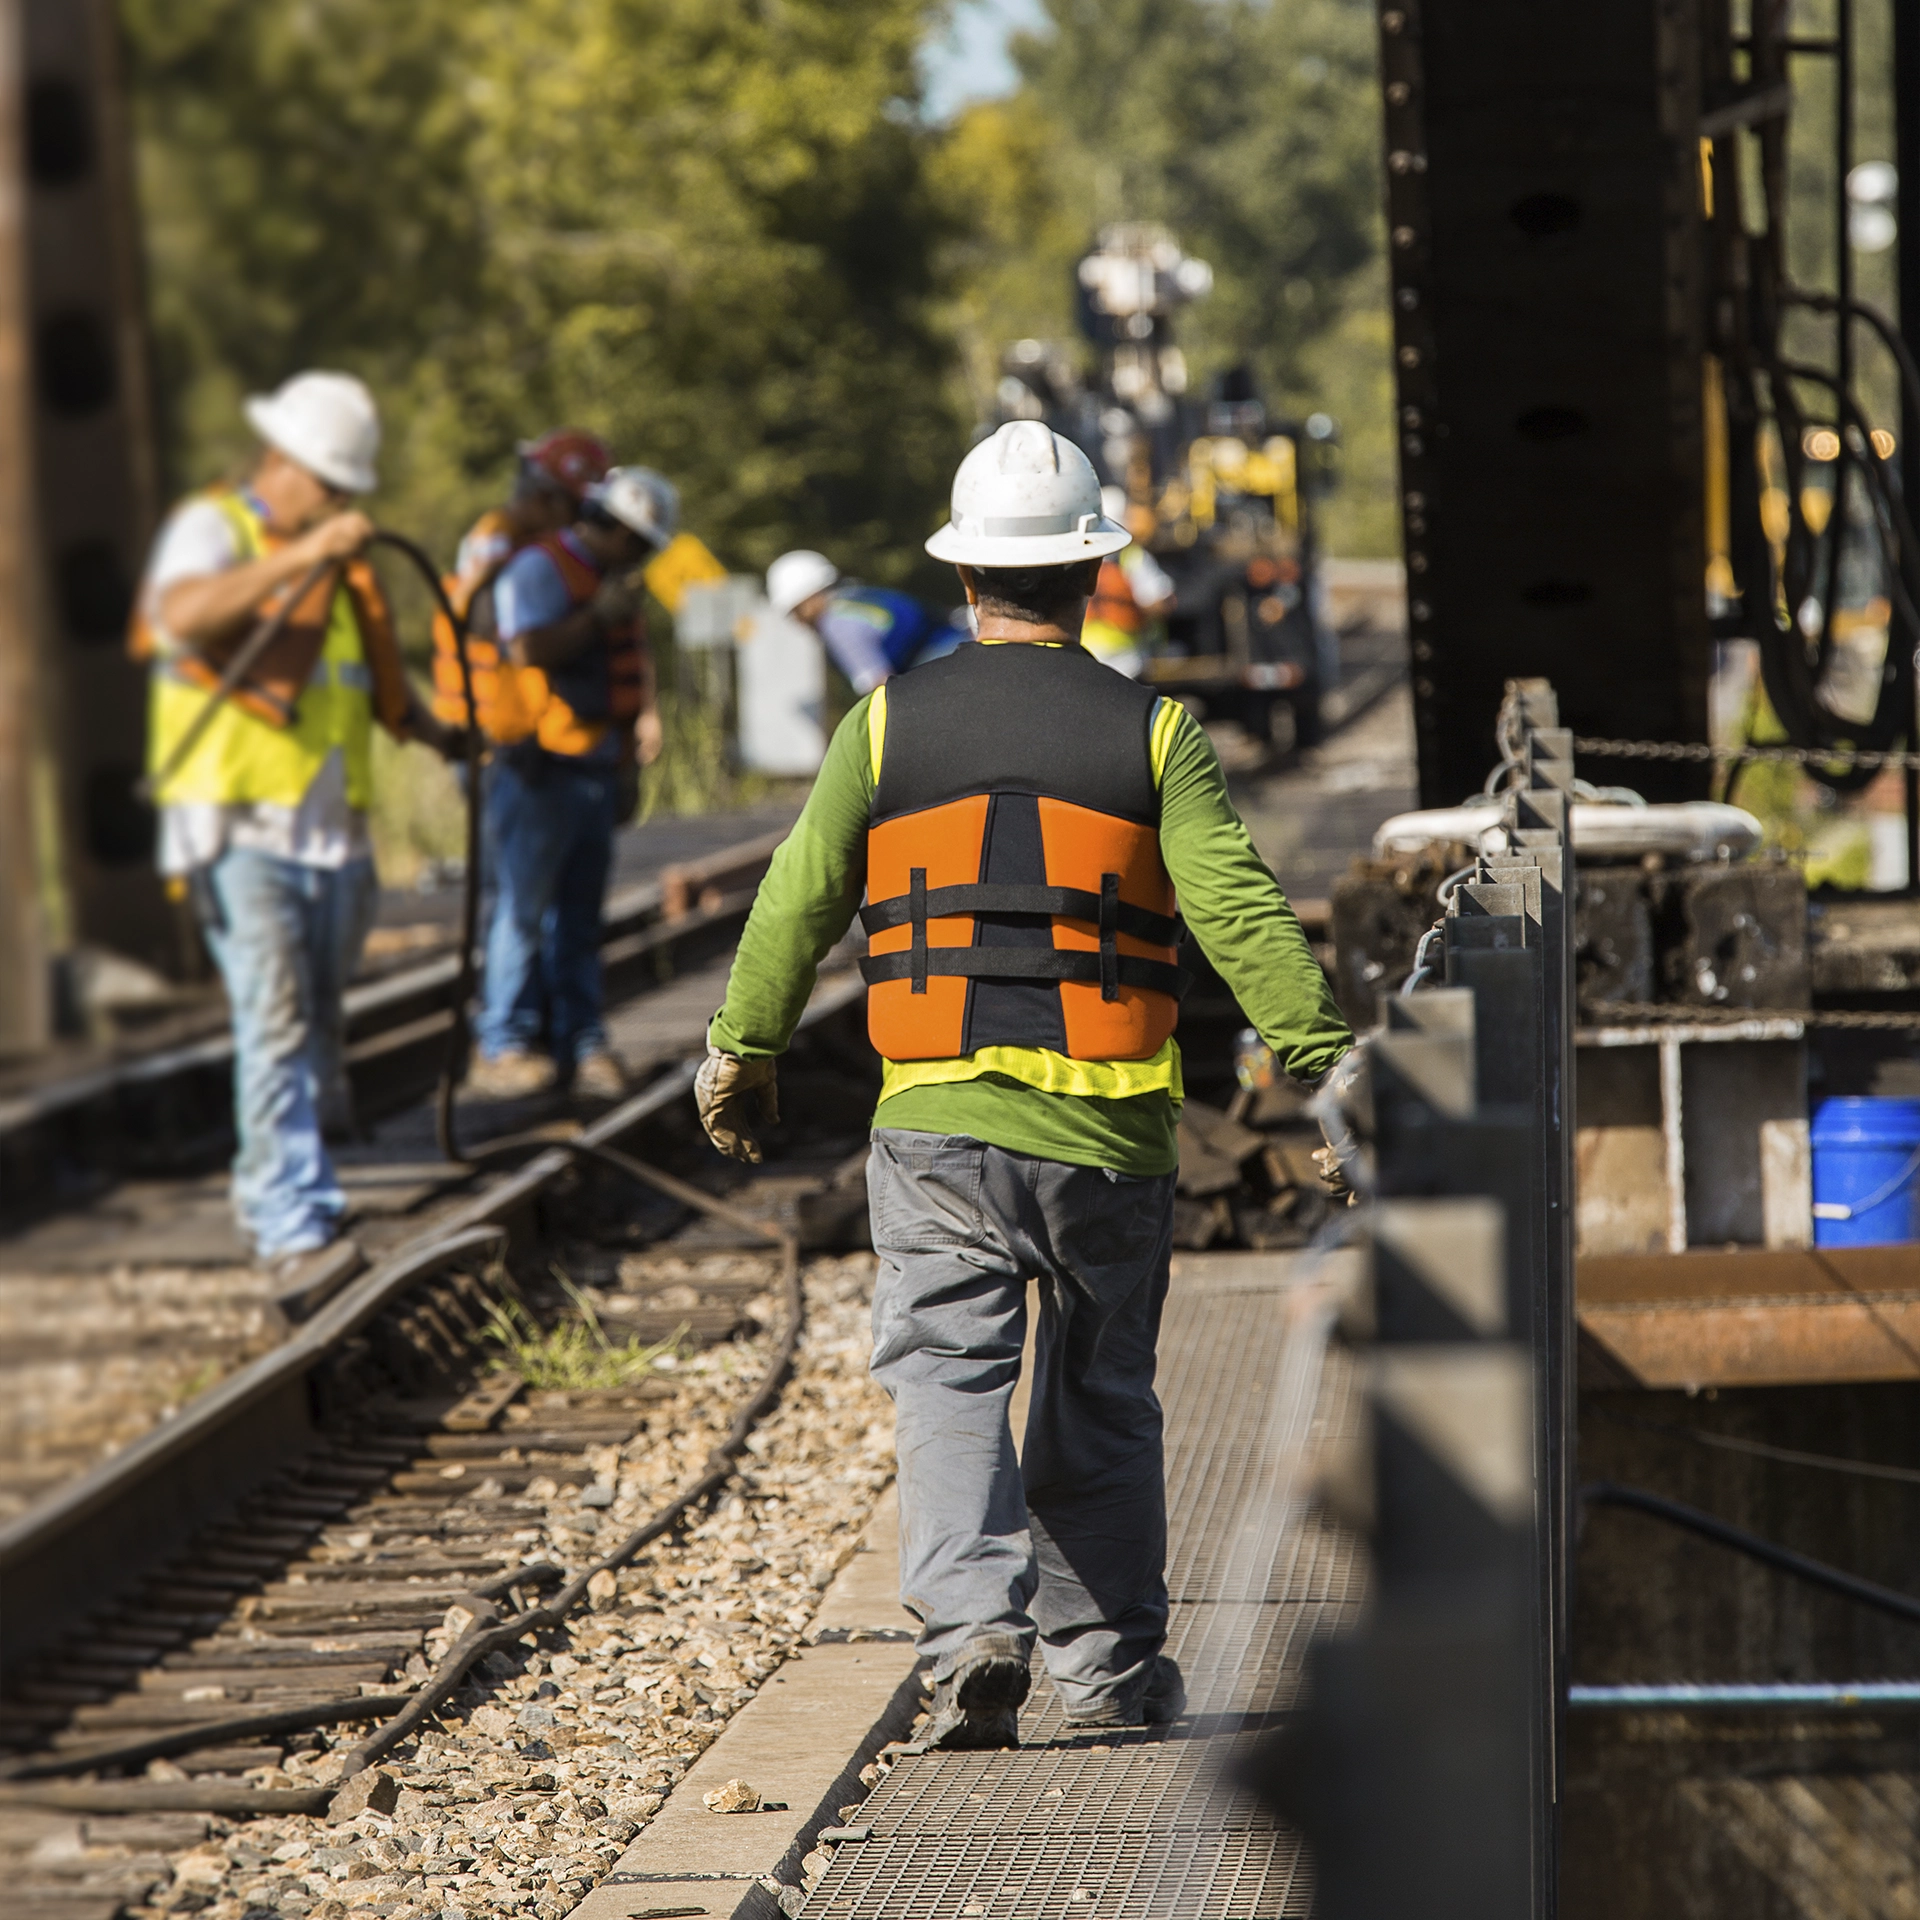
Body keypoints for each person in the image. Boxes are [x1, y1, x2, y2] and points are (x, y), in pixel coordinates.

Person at [695, 422, 1353, 1747]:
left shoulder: (884, 725)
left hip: (936, 1122)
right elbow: (1238, 913)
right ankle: (1110, 1679)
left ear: (964, 576)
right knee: (1101, 1391)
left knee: (946, 1376)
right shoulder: (1157, 731)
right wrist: (1331, 1070)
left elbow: (797, 902)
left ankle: (969, 1646)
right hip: (1111, 1129)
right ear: (1093, 575)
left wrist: (743, 1052)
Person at [131, 370, 462, 1263]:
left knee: (313, 1020)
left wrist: (441, 736)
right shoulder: (214, 529)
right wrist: (300, 557)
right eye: (327, 484)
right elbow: (180, 613)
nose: (337, 502)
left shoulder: (340, 571)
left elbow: (366, 688)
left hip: (334, 839)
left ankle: (298, 1180)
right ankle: (284, 1212)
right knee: (273, 1018)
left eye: (346, 490)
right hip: (240, 831)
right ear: (281, 461)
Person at [467, 467, 676, 1100]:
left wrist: (627, 761)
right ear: (613, 525)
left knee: (579, 920)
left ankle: (579, 1042)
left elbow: (626, 667)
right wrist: (594, 617)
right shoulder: (540, 568)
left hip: (592, 766)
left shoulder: (607, 580)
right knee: (523, 914)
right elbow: (526, 649)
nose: (639, 559)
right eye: (637, 544)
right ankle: (503, 1042)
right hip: (538, 768)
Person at [766, 549, 969, 694]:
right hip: (962, 649)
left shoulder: (836, 624)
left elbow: (878, 688)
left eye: (797, 610)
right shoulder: (855, 594)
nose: (797, 621)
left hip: (942, 675)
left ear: (809, 597)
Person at [1080, 486, 1176, 678]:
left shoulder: (1081, 559)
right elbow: (1160, 601)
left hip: (1095, 661)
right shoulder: (1133, 558)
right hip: (1124, 663)